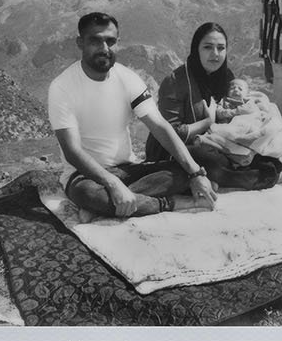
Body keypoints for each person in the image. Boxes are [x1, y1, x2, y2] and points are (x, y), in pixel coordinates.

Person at [48, 12, 217, 217]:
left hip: (128, 169)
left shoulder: (127, 78)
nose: (104, 49)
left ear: (118, 43)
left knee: (183, 172)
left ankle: (116, 204)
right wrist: (111, 182)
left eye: (110, 41)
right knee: (91, 195)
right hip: (85, 176)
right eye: (95, 41)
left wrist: (195, 172)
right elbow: (72, 151)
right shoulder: (62, 87)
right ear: (80, 42)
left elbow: (160, 127)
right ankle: (169, 203)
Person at [146, 22, 282, 190]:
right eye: (208, 47)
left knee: (261, 148)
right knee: (209, 158)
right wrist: (208, 121)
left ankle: (225, 176)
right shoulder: (175, 82)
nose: (215, 54)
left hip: (217, 142)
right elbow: (170, 133)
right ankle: (241, 177)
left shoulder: (226, 77)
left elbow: (236, 117)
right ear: (196, 49)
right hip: (174, 149)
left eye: (221, 48)